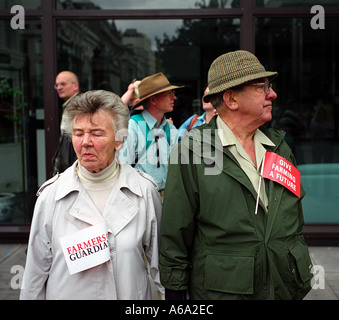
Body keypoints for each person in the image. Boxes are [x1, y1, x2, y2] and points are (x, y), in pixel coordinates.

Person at [159, 50, 313, 300]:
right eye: (262, 86)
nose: (272, 94)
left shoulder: (279, 147)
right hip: (225, 292)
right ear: (231, 99)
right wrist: (175, 294)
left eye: (269, 86)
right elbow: (176, 233)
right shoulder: (193, 150)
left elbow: (293, 220)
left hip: (282, 289)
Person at [20, 90, 164, 300]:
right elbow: (34, 276)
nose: (85, 142)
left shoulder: (144, 191)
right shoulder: (51, 195)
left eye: (96, 133)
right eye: (78, 133)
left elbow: (161, 270)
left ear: (119, 140)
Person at [119, 72, 182, 193]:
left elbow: (176, 169)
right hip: (141, 196)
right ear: (153, 100)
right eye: (169, 94)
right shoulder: (133, 126)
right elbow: (123, 168)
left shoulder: (171, 129)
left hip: (168, 196)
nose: (174, 98)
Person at [52, 71, 80, 175]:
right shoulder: (68, 106)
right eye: (57, 85)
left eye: (63, 84)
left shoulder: (80, 106)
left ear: (75, 86)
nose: (59, 88)